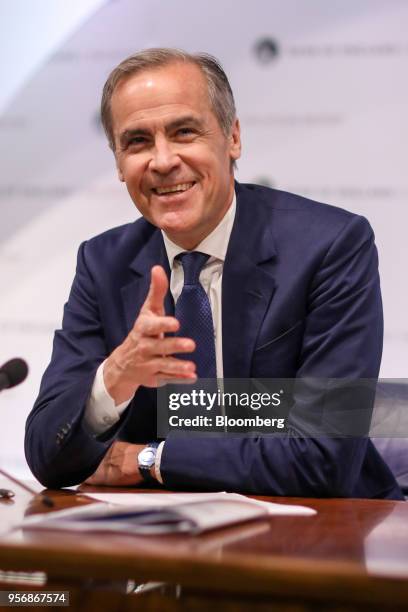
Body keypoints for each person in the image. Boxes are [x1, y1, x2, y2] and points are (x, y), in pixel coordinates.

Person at [25, 48, 403, 499]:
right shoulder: (103, 263)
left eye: (184, 132)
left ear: (233, 138)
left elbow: (322, 457)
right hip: (160, 543)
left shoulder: (330, 246)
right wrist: (116, 376)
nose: (163, 161)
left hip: (319, 540)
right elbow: (48, 454)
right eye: (138, 142)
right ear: (119, 163)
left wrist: (150, 459)